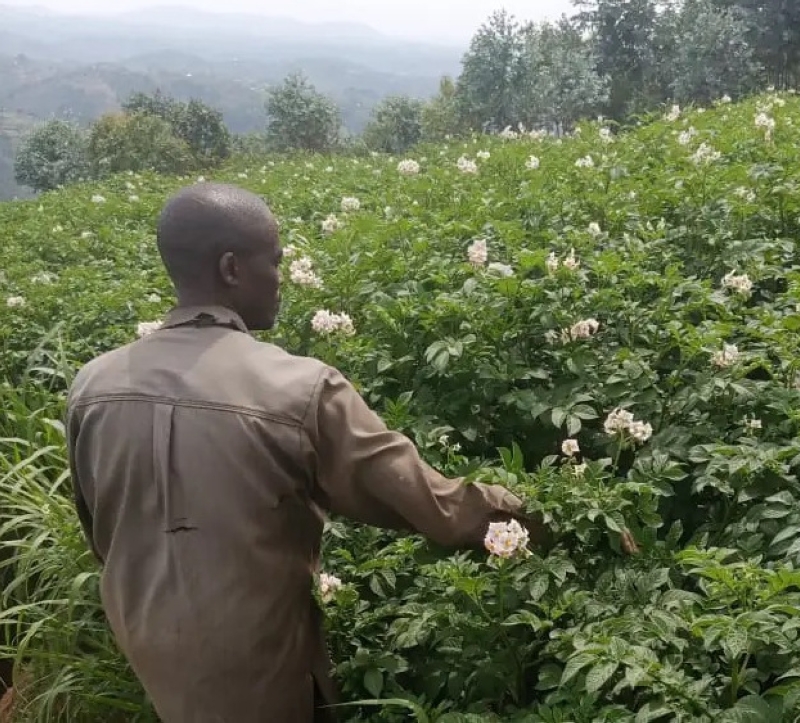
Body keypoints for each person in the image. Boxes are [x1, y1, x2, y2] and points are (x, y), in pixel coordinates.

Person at [65, 183, 537, 723]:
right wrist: (545, 519)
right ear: (231, 268)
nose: (281, 277)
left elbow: (101, 532)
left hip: (154, 654)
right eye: (275, 260)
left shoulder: (92, 385)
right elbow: (431, 505)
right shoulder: (297, 389)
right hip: (262, 674)